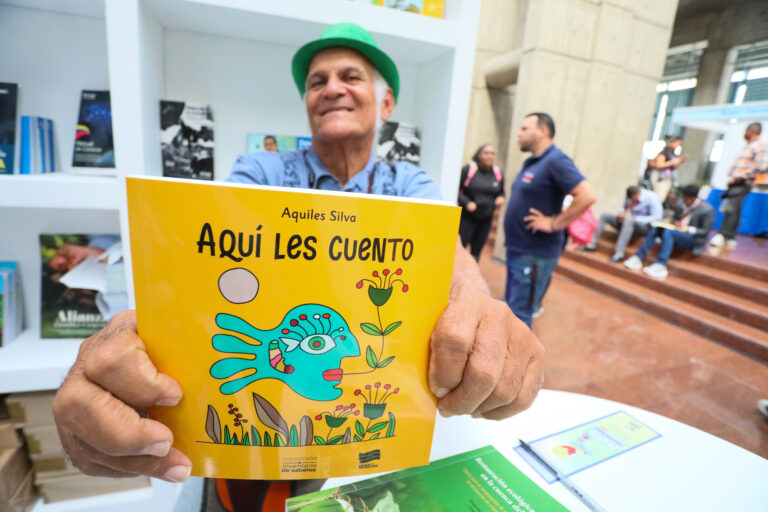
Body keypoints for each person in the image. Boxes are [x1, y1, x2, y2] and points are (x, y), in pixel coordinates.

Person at [52, 23, 545, 511]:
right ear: (308, 103)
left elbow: (451, 260)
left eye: (350, 76)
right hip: (252, 429)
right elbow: (197, 268)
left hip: (360, 437)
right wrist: (132, 335)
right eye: (317, 81)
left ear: (387, 103)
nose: (331, 88)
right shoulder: (261, 172)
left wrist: (481, 307)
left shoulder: (408, 184)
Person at [503, 113, 597, 327]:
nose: (519, 133)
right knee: (513, 309)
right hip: (519, 249)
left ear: (542, 131)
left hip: (534, 254)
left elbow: (587, 195)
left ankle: (517, 360)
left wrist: (554, 223)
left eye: (525, 128)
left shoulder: (556, 161)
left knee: (520, 316)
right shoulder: (533, 162)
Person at [623, 183, 715, 278]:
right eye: (684, 198)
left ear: (695, 197)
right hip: (677, 232)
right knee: (656, 228)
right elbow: (675, 219)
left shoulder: (707, 210)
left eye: (688, 198)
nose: (685, 200)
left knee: (668, 232)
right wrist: (671, 222)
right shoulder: (680, 204)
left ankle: (661, 264)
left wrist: (689, 229)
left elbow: (705, 231)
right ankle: (638, 257)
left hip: (692, 238)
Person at [709, 122, 767, 249]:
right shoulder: (748, 146)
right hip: (735, 183)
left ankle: (724, 234)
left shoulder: (759, 146)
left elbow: (761, 166)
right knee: (734, 208)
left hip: (742, 183)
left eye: (747, 130)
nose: (745, 133)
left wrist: (741, 177)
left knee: (731, 208)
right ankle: (730, 236)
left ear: (752, 131)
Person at [583, 185, 663, 262]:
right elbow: (623, 207)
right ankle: (591, 244)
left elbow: (657, 217)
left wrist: (635, 219)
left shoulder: (652, 197)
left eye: (635, 200)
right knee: (605, 215)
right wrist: (620, 213)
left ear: (639, 193)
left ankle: (619, 253)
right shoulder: (630, 197)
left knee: (628, 220)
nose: (633, 202)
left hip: (644, 227)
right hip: (628, 222)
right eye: (631, 200)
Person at [457, 143, 505, 260]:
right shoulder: (469, 170)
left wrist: (501, 198)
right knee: (460, 250)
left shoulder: (497, 173)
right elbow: (456, 190)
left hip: (485, 220)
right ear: (478, 155)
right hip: (467, 219)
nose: (489, 156)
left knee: (476, 253)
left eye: (492, 154)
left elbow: (501, 192)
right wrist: (467, 202)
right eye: (486, 153)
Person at [643, 135, 685, 204]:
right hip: (659, 177)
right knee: (659, 196)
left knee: (662, 197)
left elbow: (673, 166)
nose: (678, 145)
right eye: (677, 143)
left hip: (667, 177)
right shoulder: (663, 153)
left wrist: (679, 162)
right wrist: (672, 162)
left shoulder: (672, 154)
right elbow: (659, 165)